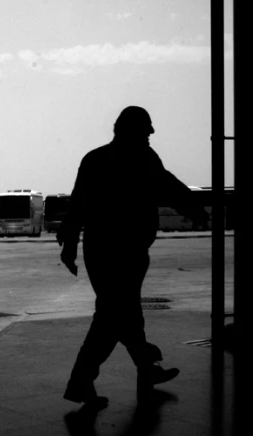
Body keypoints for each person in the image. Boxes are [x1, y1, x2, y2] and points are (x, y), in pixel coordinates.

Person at [57, 106, 208, 408]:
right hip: (126, 252)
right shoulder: (142, 159)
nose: (151, 133)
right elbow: (170, 187)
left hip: (100, 251)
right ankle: (81, 381)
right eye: (147, 127)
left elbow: (77, 205)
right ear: (132, 129)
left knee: (121, 313)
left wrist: (70, 245)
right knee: (113, 317)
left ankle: (144, 368)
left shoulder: (95, 159)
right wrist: (196, 211)